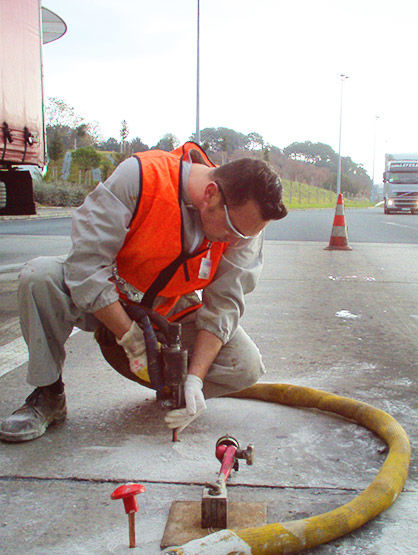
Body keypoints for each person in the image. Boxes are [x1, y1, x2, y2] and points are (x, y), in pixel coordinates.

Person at [0, 142, 287, 442]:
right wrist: (129, 336)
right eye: (233, 229)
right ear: (211, 193)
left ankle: (174, 389)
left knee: (245, 364)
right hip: (108, 293)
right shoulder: (140, 177)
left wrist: (195, 380)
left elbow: (224, 306)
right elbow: (85, 267)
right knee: (40, 278)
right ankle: (49, 395)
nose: (235, 239)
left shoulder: (245, 226)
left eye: (244, 234)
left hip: (166, 311)